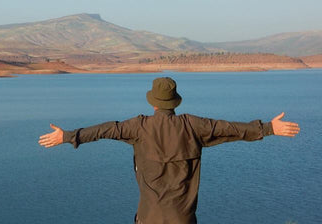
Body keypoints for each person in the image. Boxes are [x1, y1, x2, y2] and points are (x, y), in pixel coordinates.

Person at [38, 77, 300, 224]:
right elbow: (228, 129)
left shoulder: (138, 127)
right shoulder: (193, 126)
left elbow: (107, 130)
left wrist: (68, 136)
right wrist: (267, 128)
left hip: (149, 218)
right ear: (175, 102)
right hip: (183, 219)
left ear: (153, 102)